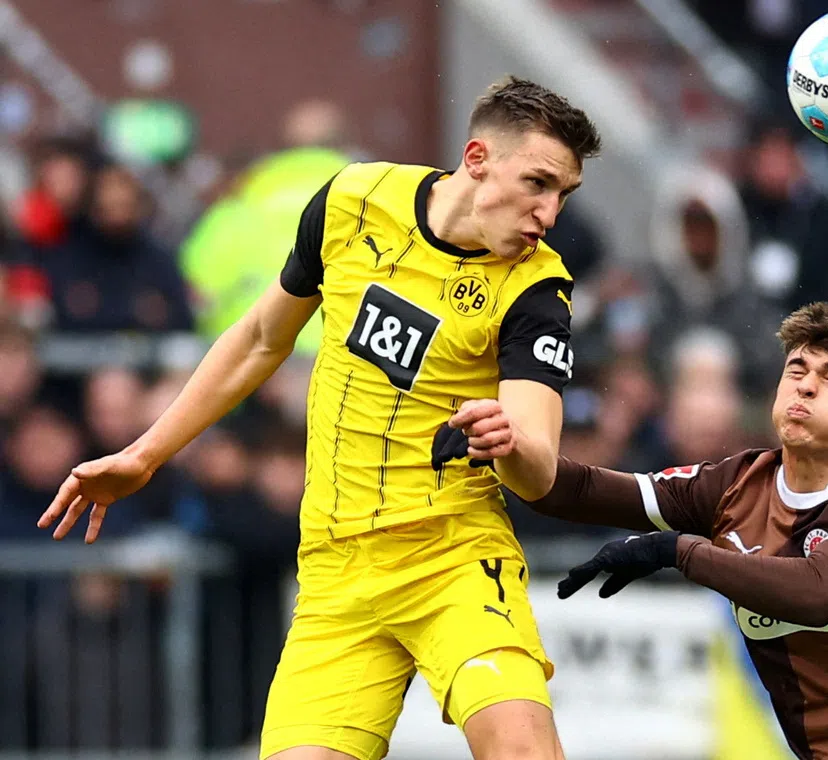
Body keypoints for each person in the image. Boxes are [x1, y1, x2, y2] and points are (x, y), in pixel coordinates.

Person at [37, 75, 602, 760]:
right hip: (338, 571)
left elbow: (539, 467)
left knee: (523, 750)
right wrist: (145, 453)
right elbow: (259, 340)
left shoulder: (538, 287)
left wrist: (509, 441)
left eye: (562, 195)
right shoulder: (352, 201)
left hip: (453, 556)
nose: (548, 212)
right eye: (539, 183)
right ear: (477, 158)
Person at [523, 302, 828, 759]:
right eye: (796, 370)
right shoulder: (735, 484)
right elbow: (576, 489)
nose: (805, 386)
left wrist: (681, 552)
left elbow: (819, 592)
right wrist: (504, 441)